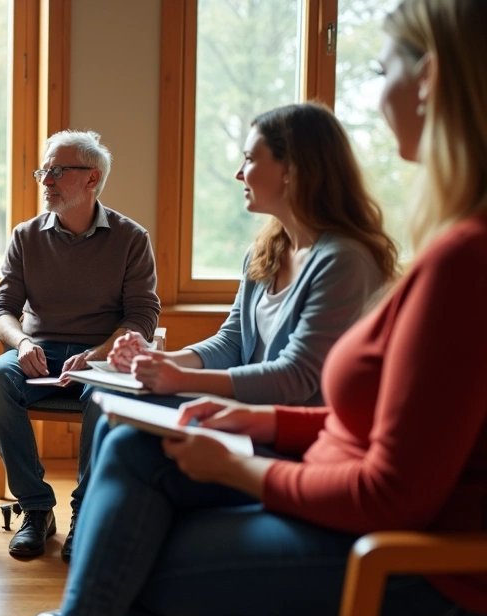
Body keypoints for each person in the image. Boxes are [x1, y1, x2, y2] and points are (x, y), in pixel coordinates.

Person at [38, 0, 487, 616]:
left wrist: (238, 462)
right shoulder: (293, 249)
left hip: (410, 563)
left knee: (128, 557)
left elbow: (389, 483)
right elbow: (381, 421)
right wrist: (238, 405)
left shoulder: (452, 258)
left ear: (431, 81)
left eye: (382, 70)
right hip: (326, 474)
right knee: (133, 444)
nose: (376, 93)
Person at [64, 103, 401, 560]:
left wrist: (181, 379)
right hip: (240, 413)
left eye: (250, 158)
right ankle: (91, 567)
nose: (240, 173)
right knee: (114, 416)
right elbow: (232, 341)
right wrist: (165, 361)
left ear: (292, 170)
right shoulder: (265, 251)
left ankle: (96, 584)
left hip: (292, 438)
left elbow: (299, 378)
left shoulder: (343, 260)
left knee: (128, 443)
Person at [0, 130, 160, 558]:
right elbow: (2, 308)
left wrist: (97, 354)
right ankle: (36, 508)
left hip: (99, 357)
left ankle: (86, 512)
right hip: (38, 351)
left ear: (92, 179)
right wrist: (21, 343)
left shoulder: (131, 239)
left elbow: (143, 317)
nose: (46, 180)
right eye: (44, 170)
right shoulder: (26, 236)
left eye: (58, 171)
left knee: (105, 396)